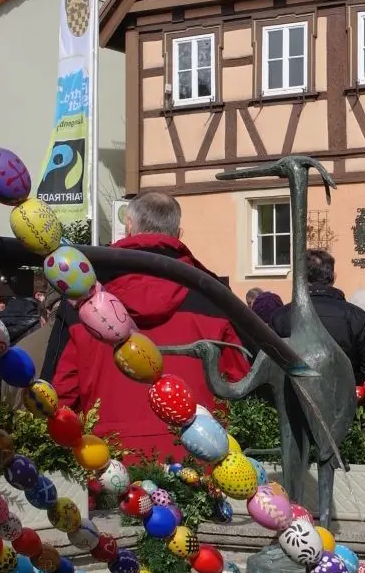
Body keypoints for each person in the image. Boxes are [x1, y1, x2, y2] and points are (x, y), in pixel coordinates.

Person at [49, 192, 248, 460]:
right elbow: (238, 384)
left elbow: (59, 393)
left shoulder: (83, 295)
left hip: (108, 458)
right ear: (178, 232)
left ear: (129, 226)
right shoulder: (213, 293)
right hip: (197, 453)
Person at [272, 250, 365, 385]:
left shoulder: (281, 317)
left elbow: (271, 363)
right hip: (345, 396)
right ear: (333, 277)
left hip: (299, 397)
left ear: (301, 278)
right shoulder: (356, 316)